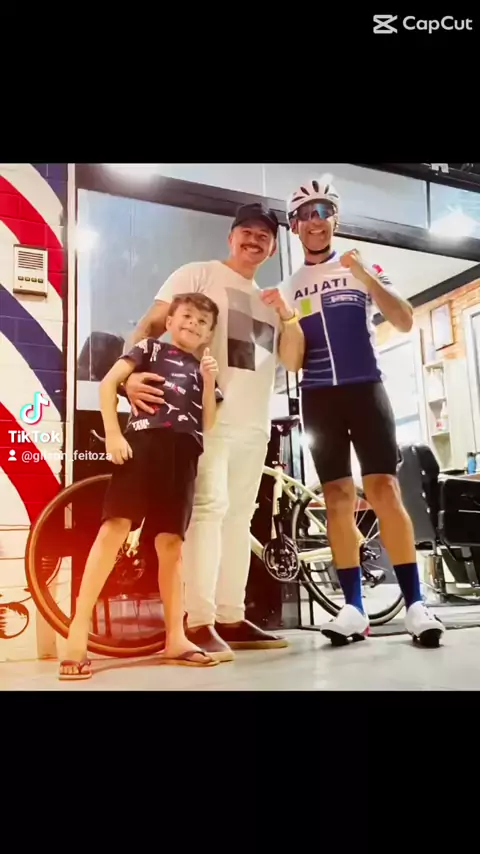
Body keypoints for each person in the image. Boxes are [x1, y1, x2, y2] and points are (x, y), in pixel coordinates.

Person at [123, 203, 302, 661]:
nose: (253, 240)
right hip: (205, 419)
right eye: (246, 231)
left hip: (254, 423)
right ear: (231, 236)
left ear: (272, 247)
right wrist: (128, 377)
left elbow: (290, 360)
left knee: (240, 518)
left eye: (264, 236)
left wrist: (288, 316)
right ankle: (197, 620)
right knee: (207, 511)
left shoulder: (269, 301)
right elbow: (151, 324)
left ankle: (230, 616)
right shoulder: (199, 273)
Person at [276, 175, 445, 648]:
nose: (316, 221)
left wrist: (366, 275)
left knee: (384, 489)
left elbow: (404, 320)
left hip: (367, 389)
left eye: (323, 211)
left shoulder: (362, 265)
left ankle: (415, 604)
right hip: (318, 395)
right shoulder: (289, 286)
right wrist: (286, 319)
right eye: (306, 214)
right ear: (294, 225)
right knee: (336, 497)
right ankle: (353, 608)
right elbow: (292, 361)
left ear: (335, 219)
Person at [58, 293, 223, 679]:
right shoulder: (148, 349)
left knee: (171, 545)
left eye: (202, 322)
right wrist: (114, 434)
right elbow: (108, 384)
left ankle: (176, 637)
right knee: (114, 528)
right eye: (187, 316)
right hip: (143, 445)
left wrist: (209, 380)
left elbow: (208, 423)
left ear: (208, 335)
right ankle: (77, 632)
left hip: (184, 455)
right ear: (170, 321)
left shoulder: (202, 369)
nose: (193, 324)